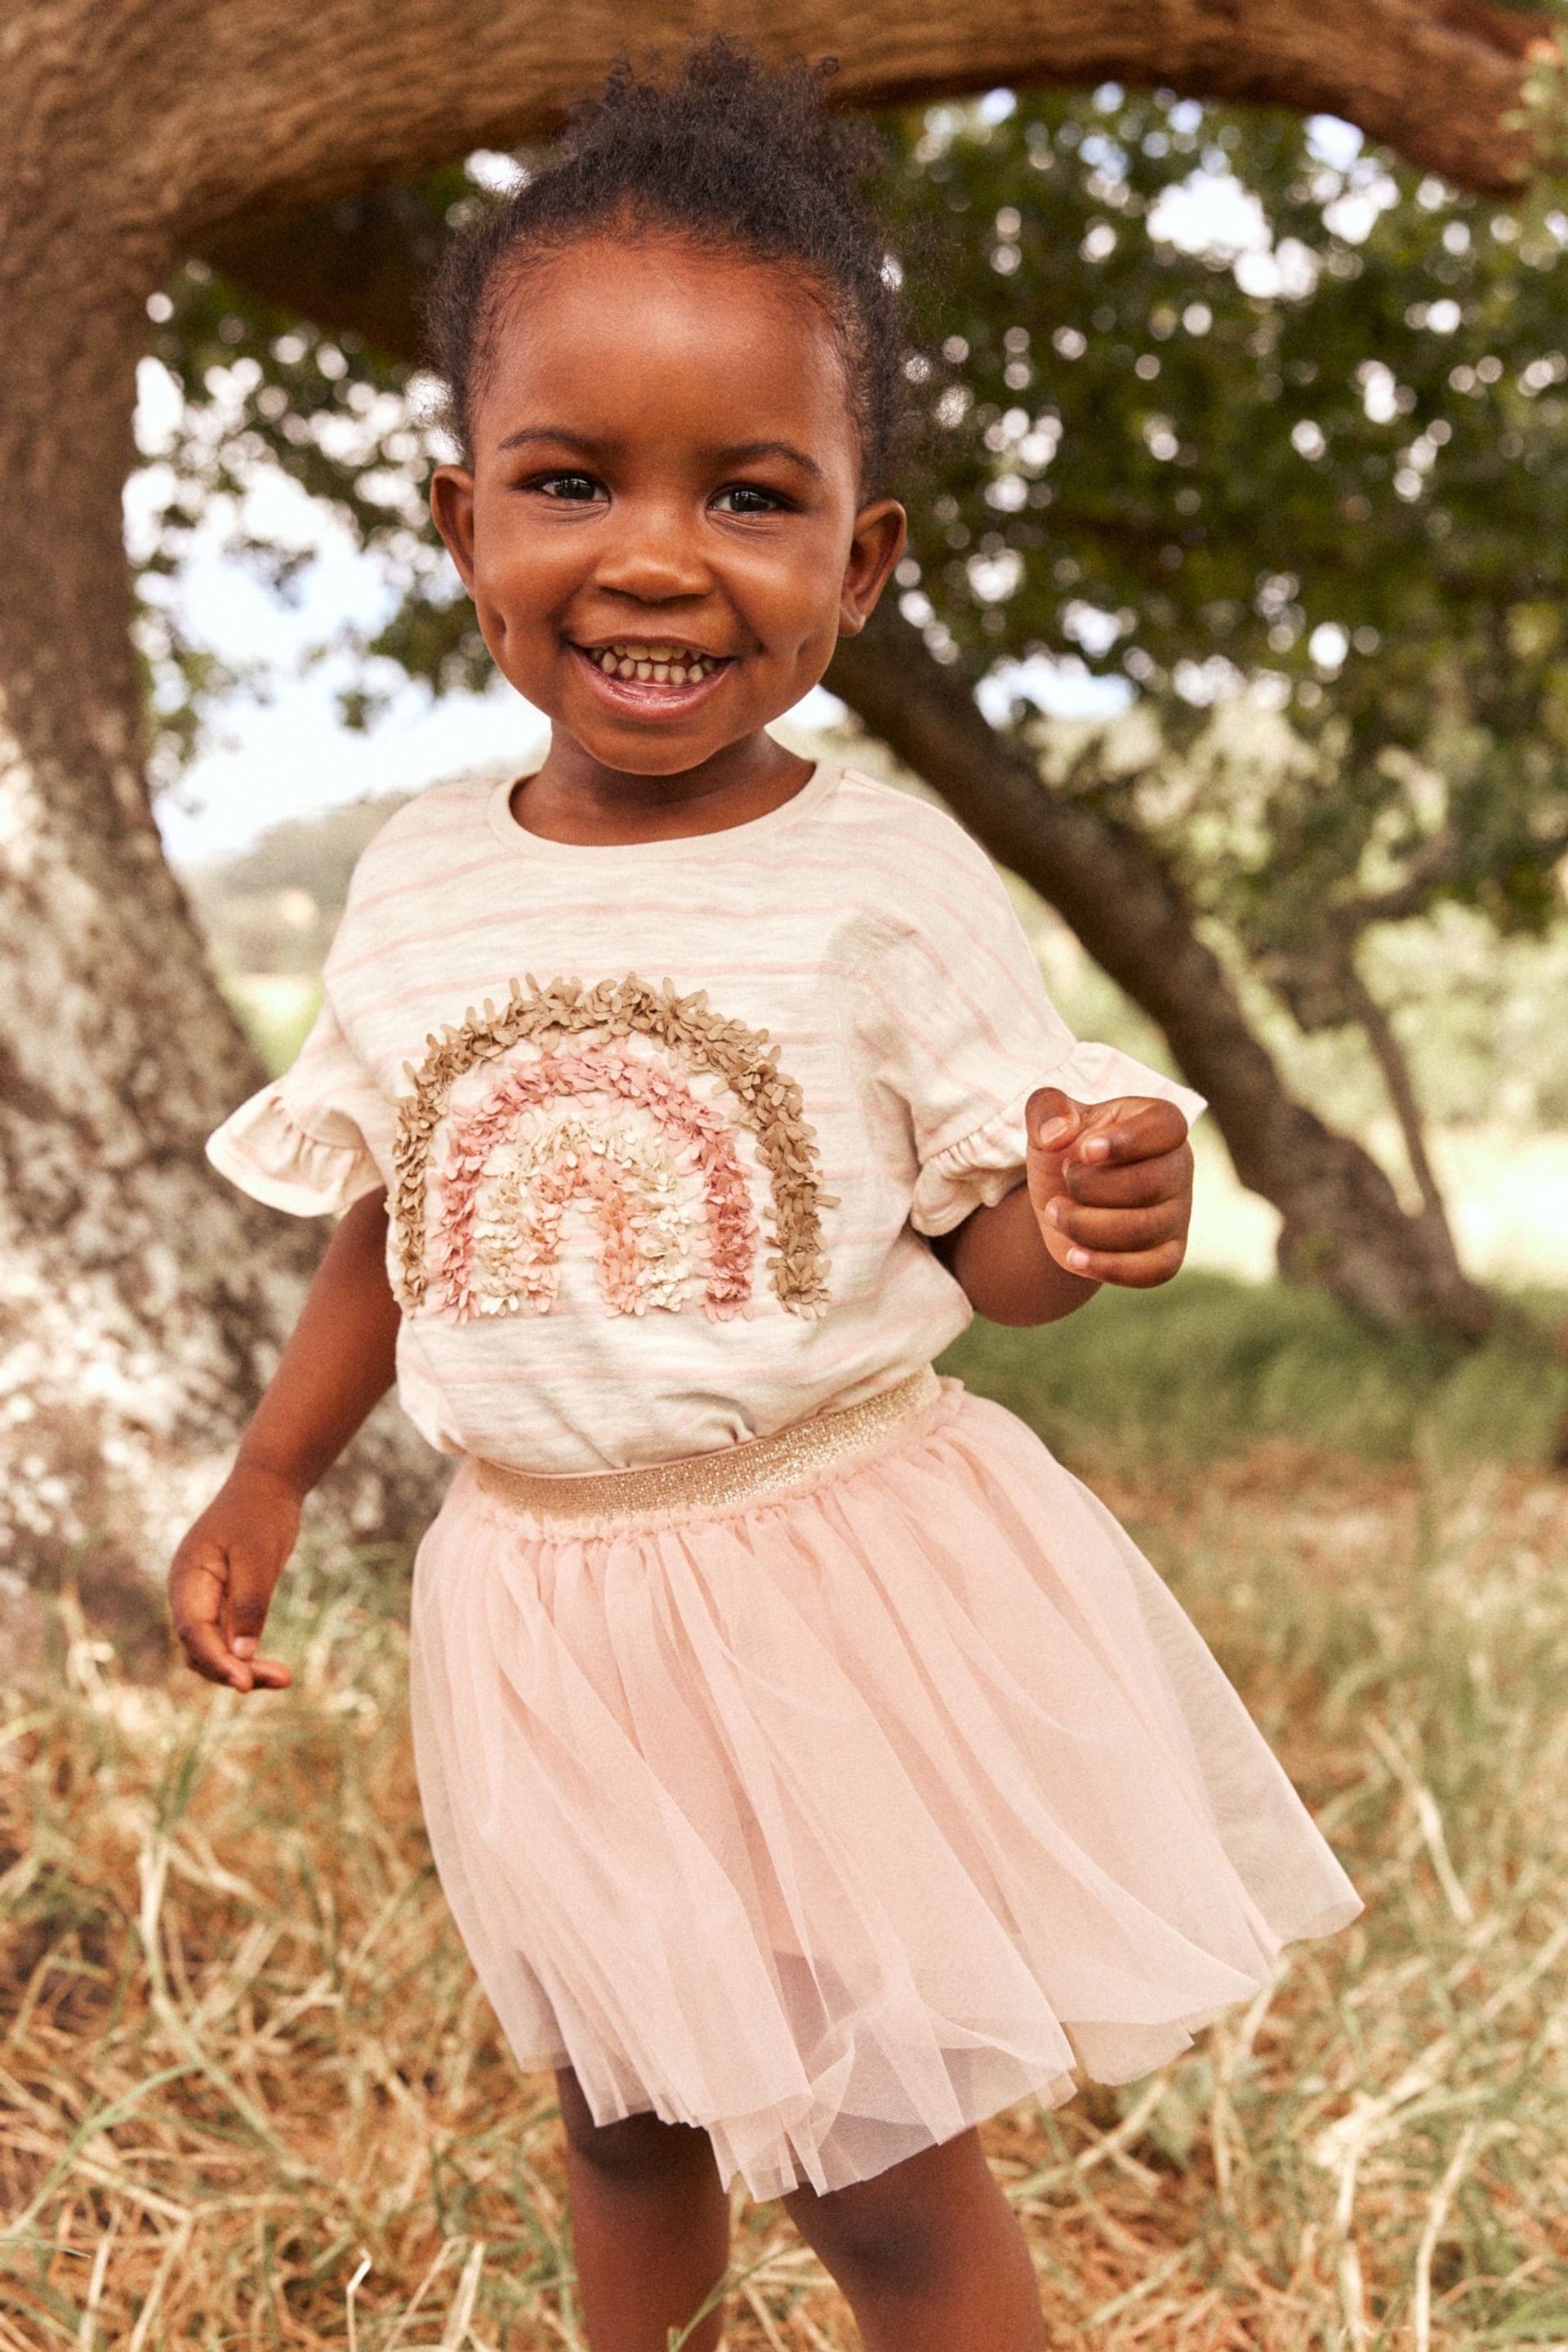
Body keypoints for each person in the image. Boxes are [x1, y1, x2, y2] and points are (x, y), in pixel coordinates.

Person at [168, 42, 1360, 2352]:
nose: (651, 556)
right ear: (463, 525)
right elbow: (396, 1215)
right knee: (618, 2110)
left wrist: (1084, 1215)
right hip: (534, 1607)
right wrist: (274, 1465)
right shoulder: (417, 881)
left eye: (749, 494)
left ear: (859, 552)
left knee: (868, 2148)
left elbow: (983, 1257)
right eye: (569, 480)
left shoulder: (884, 881)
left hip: (812, 1598)